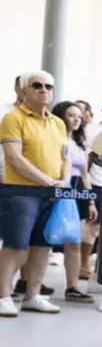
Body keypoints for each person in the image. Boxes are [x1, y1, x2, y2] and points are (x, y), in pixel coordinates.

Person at [0, 71, 69, 317]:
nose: (44, 89)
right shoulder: (13, 118)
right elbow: (14, 158)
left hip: (51, 193)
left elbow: (65, 156)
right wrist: (47, 180)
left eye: (48, 85)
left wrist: (63, 181)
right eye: (36, 85)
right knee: (16, 246)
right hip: (20, 191)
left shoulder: (58, 123)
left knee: (43, 246)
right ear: (23, 91)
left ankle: (33, 295)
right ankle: (3, 296)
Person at [51, 101, 98, 302]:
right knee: (43, 240)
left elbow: (86, 174)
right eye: (71, 115)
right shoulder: (54, 139)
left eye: (79, 116)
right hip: (59, 188)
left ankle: (72, 287)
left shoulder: (80, 144)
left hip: (78, 192)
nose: (77, 119)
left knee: (75, 242)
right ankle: (25, 282)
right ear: (61, 116)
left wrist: (91, 202)